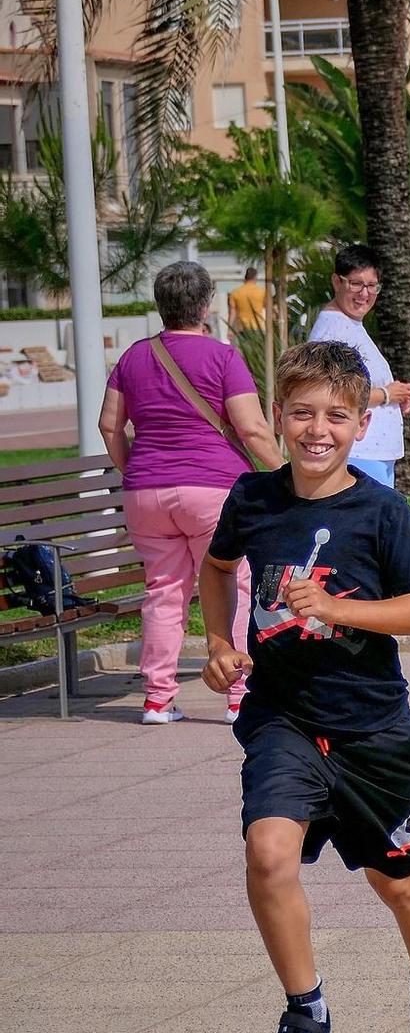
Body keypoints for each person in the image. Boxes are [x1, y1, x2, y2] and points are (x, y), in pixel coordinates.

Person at [197, 339, 410, 1033]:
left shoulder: (384, 512)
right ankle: (305, 1010)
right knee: (268, 854)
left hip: (372, 730)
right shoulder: (252, 499)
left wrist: (340, 608)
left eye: (337, 415)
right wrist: (218, 641)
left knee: (400, 885)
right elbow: (217, 570)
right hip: (282, 717)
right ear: (278, 415)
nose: (319, 428)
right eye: (303, 412)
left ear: (360, 427)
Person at [97, 260, 284, 725]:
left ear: (161, 306)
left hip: (146, 494)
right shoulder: (222, 357)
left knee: (163, 590)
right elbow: (253, 428)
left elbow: (108, 424)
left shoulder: (132, 358)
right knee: (232, 584)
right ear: (205, 306)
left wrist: (133, 470)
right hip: (212, 490)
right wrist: (284, 474)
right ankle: (239, 694)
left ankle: (158, 699)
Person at [306, 245, 410, 489]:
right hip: (357, 455)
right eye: (356, 284)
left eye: (372, 286)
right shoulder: (333, 330)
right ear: (337, 281)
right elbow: (332, 394)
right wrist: (388, 395)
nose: (364, 294)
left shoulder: (351, 324)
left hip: (373, 455)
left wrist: (396, 395)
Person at [226, 267, 267, 336]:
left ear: (245, 277)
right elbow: (267, 308)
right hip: (258, 327)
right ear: (256, 277)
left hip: (242, 328)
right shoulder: (262, 292)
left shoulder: (235, 292)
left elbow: (232, 312)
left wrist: (229, 329)